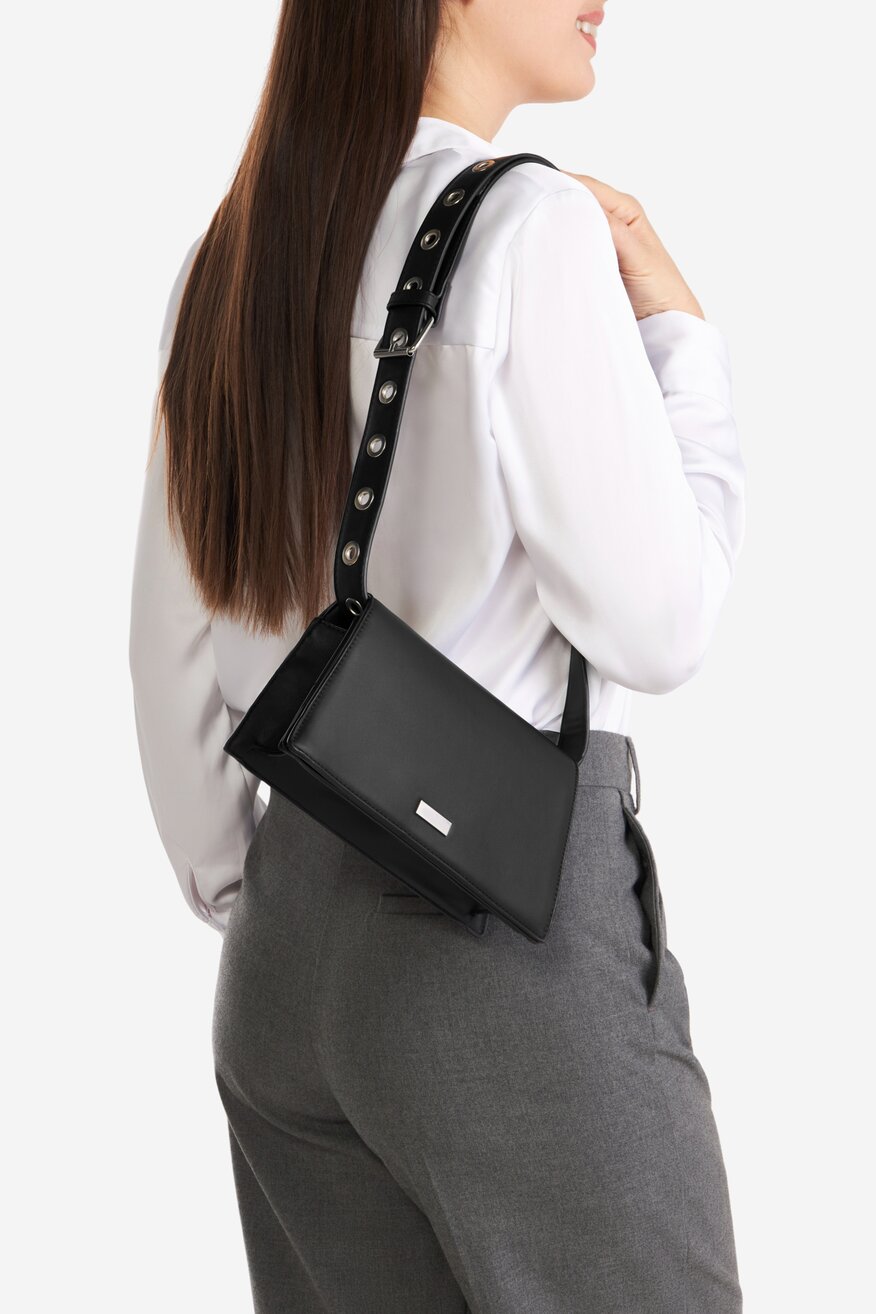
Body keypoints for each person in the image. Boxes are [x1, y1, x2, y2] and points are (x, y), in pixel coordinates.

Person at [129, 2, 746, 1310]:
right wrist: (682, 345)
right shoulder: (528, 230)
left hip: (282, 974)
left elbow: (169, 640)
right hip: (497, 943)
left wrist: (268, 896)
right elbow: (661, 624)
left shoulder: (231, 256)